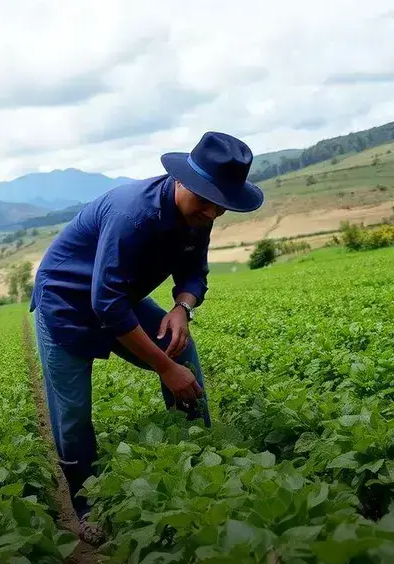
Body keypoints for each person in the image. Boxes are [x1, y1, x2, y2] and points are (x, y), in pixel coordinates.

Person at [29, 131, 264, 543]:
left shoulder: (199, 217)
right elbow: (106, 305)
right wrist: (164, 367)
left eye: (220, 204)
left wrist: (182, 308)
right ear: (182, 181)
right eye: (205, 199)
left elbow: (194, 273)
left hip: (118, 296)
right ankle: (86, 507)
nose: (211, 211)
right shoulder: (133, 215)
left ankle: (198, 455)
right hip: (67, 301)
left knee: (181, 347)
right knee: (73, 414)